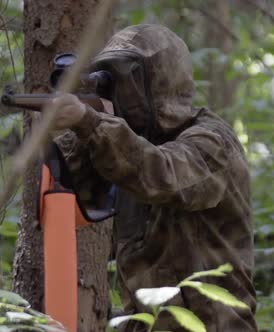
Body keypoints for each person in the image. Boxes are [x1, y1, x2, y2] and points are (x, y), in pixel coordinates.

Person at [49, 24, 257, 332]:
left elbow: (162, 175)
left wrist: (91, 122)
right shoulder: (124, 148)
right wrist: (78, 129)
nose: (123, 92)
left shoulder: (213, 142)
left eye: (129, 79)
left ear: (161, 79)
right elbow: (78, 194)